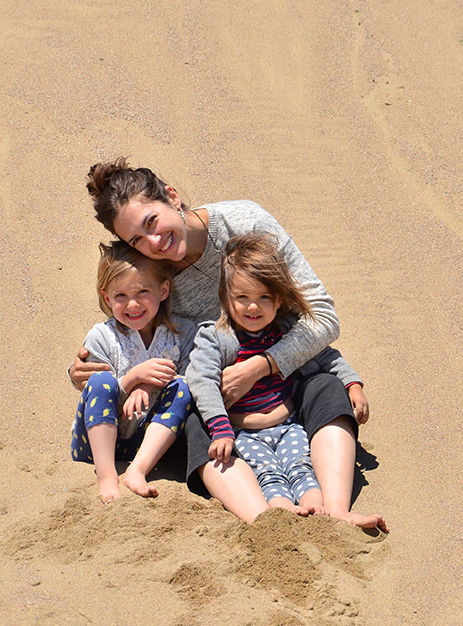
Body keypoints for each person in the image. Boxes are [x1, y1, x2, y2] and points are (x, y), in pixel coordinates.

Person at [70, 158, 387, 530]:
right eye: (136, 239)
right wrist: (92, 370)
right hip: (213, 400)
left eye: (152, 222)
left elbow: (322, 317)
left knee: (326, 387)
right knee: (191, 417)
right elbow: (138, 335)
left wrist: (259, 367)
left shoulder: (245, 222)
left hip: (282, 382)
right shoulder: (154, 273)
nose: (153, 243)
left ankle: (336, 511)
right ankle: (264, 522)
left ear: (172, 197)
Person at [186, 234, 376, 525]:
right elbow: (201, 379)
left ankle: (329, 511)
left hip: (288, 423)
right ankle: (275, 514)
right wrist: (221, 429)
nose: (253, 307)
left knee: (301, 466)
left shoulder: (285, 330)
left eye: (264, 297)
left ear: (278, 300)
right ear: (226, 297)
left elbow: (325, 356)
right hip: (243, 431)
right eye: (242, 298)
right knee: (266, 471)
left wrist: (353, 383)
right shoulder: (215, 337)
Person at [70, 240, 196, 504]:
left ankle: (137, 470)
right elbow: (95, 391)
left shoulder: (181, 333)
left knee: (183, 386)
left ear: (163, 290)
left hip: (150, 442)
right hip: (97, 442)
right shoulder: (102, 336)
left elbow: (192, 382)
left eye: (142, 292)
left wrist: (148, 385)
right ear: (107, 298)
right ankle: (107, 476)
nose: (133, 304)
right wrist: (132, 379)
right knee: (103, 380)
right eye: (121, 296)